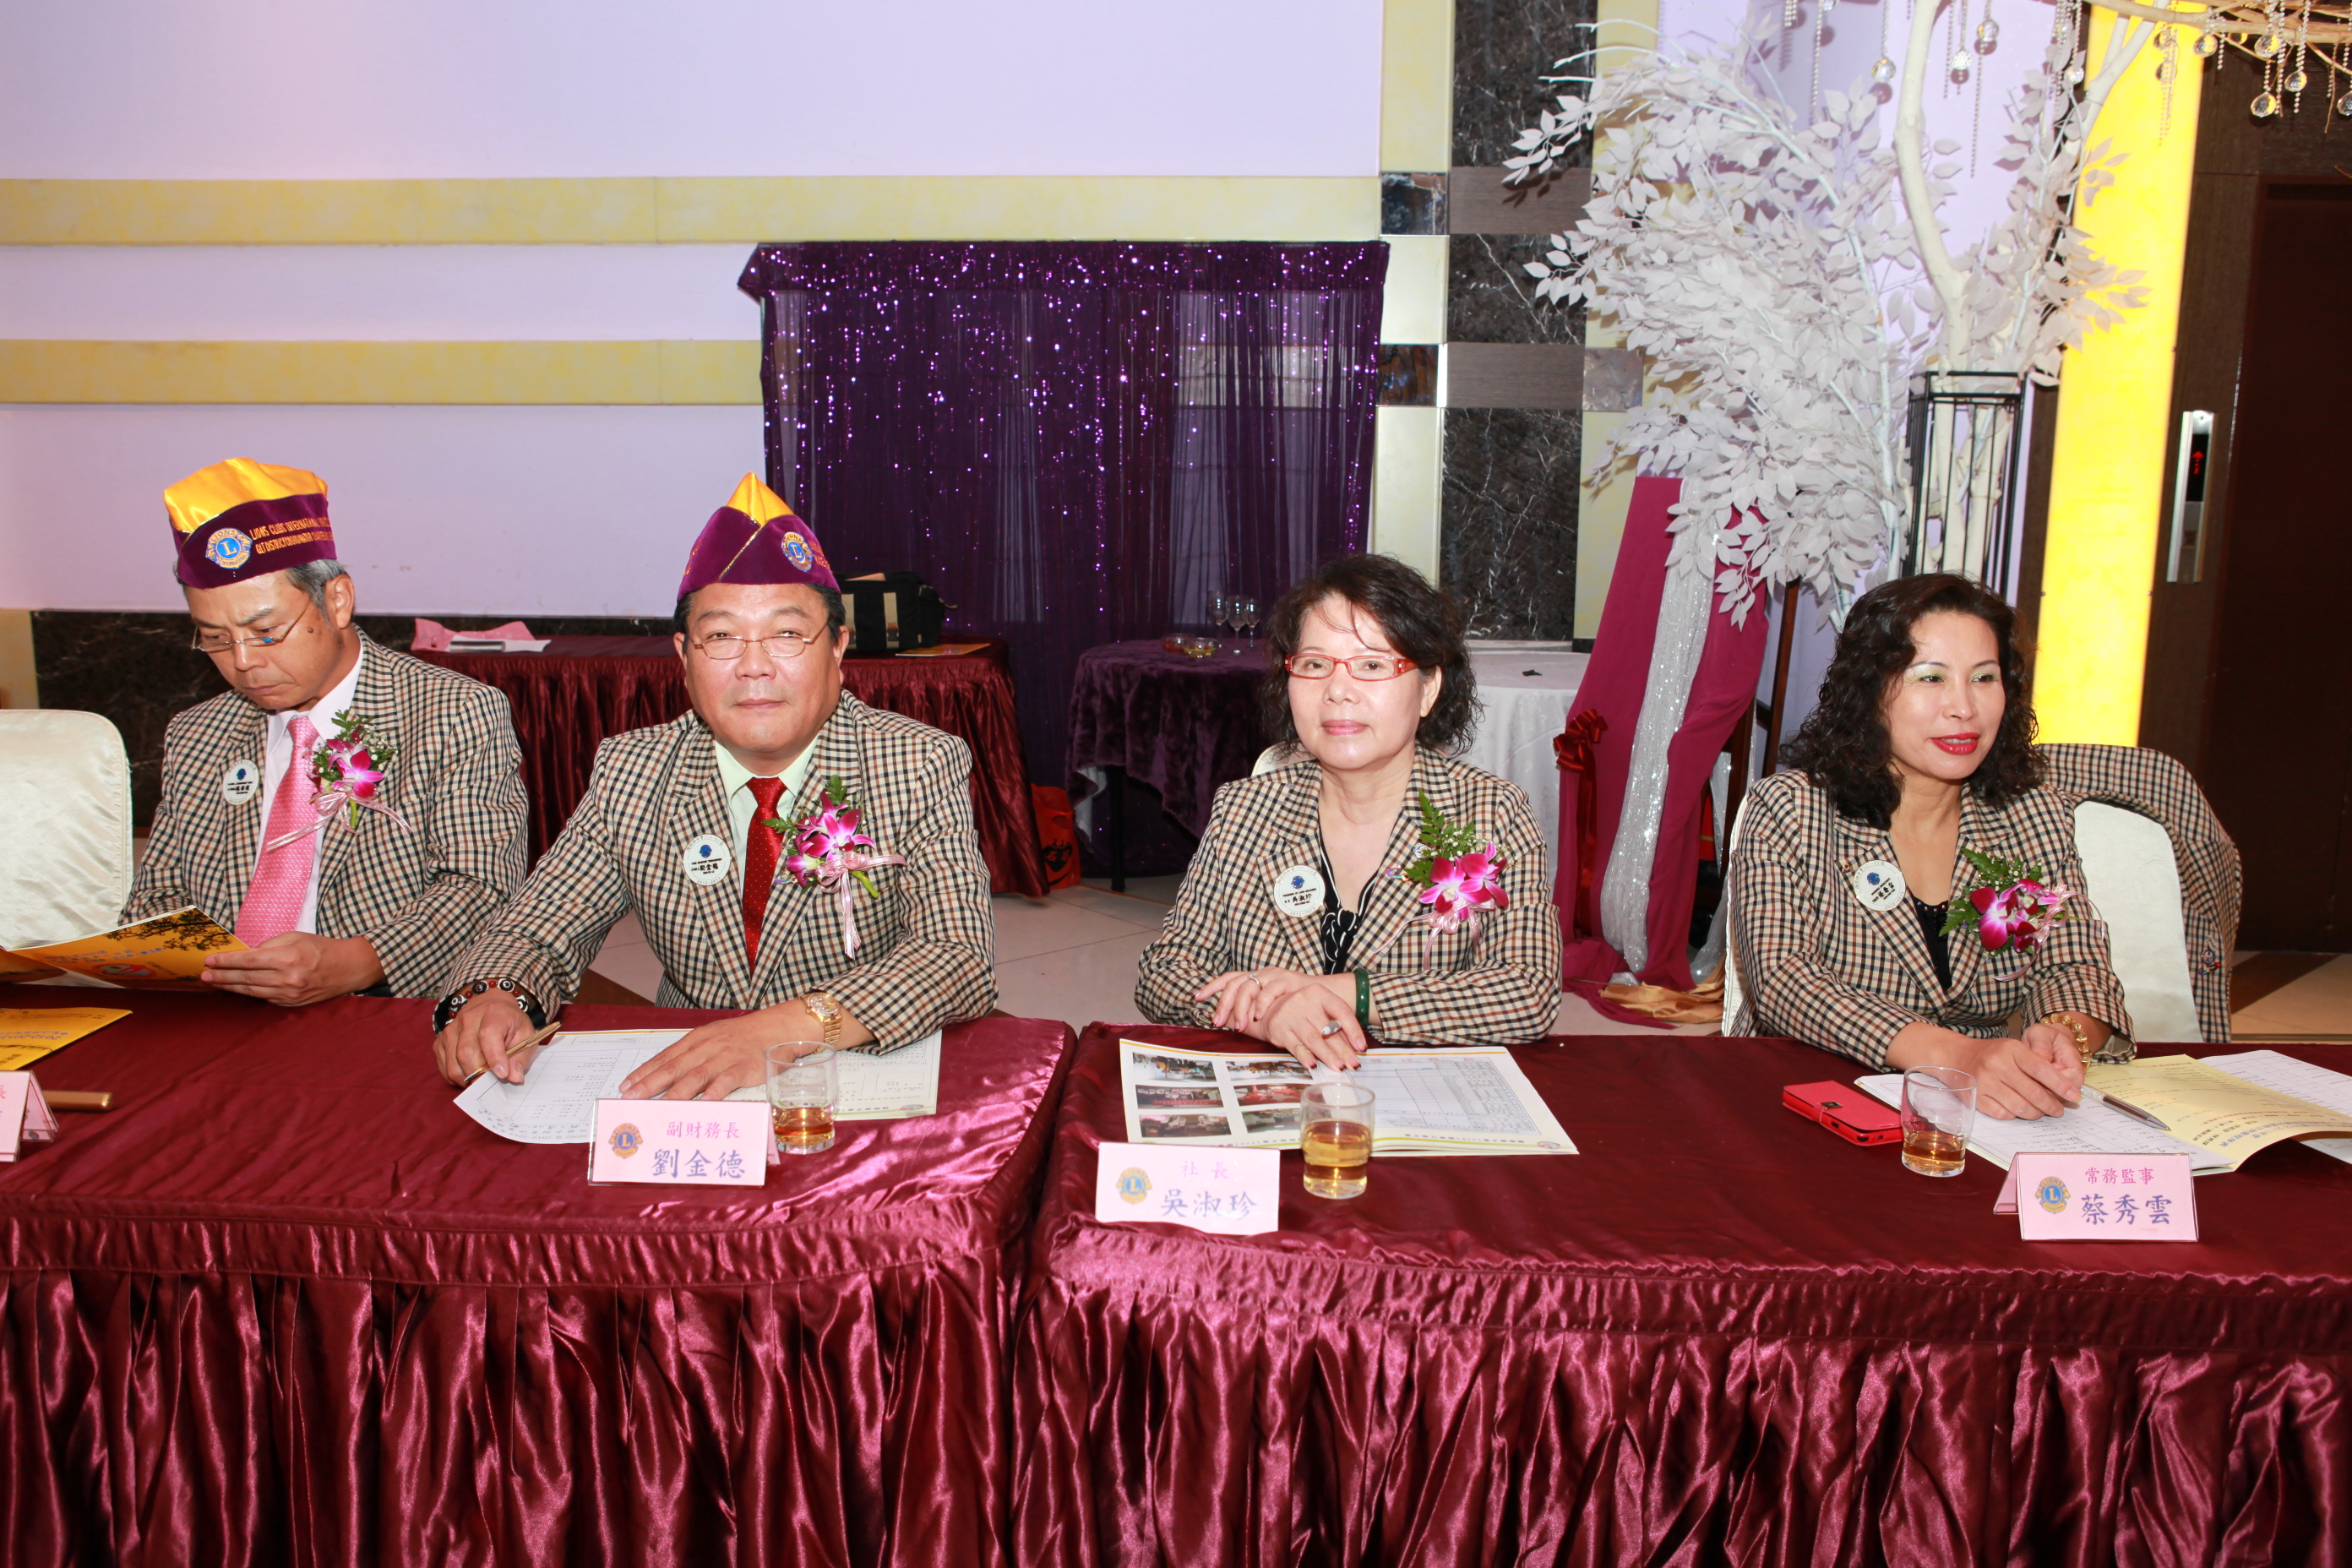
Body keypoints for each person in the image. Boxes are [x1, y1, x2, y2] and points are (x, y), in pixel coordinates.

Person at [433, 476, 996, 1097]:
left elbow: (956, 954)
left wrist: (782, 1030)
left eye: (787, 635)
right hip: (688, 1077)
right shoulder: (635, 769)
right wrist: (496, 994)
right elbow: (536, 927)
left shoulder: (916, 762)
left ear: (838, 647)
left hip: (854, 1070)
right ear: (684, 655)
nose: (753, 666)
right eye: (722, 637)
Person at [1727, 572, 2133, 1119]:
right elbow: (1784, 982)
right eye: (1931, 678)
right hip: (1813, 1091)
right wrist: (1955, 1055)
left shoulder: (2028, 815)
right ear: (1870, 691)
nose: (1964, 707)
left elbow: (2073, 963)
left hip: (1984, 1108)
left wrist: (2061, 1033)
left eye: (1984, 678)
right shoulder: (1793, 810)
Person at [126, 457, 530, 1004]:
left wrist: (360, 961)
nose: (243, 662)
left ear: (337, 601)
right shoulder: (200, 732)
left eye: (266, 632)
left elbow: (481, 888)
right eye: (215, 638)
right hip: (223, 1010)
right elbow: (159, 896)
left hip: (381, 1010)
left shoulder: (450, 712)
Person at [1135, 554, 1560, 1067]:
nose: (1337, 691)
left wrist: (1344, 993)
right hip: (1276, 1087)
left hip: (1421, 1090)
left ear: (1427, 689)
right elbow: (1164, 973)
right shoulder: (1245, 808)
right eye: (1315, 665)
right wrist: (1266, 1017)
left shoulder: (1489, 812)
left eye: (1372, 666)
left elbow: (1528, 992)